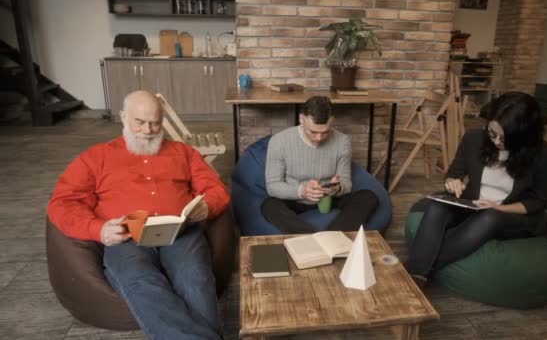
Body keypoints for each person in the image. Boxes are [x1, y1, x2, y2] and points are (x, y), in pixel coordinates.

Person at [47, 90, 230, 339]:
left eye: (155, 123)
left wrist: (207, 206)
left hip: (181, 233)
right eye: (139, 122)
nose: (147, 130)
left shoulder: (183, 152)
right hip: (126, 237)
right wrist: (97, 229)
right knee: (143, 283)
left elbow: (216, 189)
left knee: (195, 279)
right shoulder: (97, 156)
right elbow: (63, 203)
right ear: (123, 117)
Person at [406, 92, 547, 287]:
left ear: (523, 135)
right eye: (492, 133)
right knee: (437, 206)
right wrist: (453, 182)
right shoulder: (474, 139)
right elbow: (454, 172)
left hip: (508, 214)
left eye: (505, 138)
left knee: (490, 217)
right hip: (473, 204)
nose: (496, 142)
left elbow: (541, 200)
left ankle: (416, 272)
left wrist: (497, 208)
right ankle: (416, 274)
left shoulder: (545, 153)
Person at [261, 96, 379, 234]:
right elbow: (273, 185)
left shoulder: (342, 142)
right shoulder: (279, 141)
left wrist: (338, 188)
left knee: (368, 197)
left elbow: (346, 183)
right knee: (269, 205)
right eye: (313, 132)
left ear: (332, 121)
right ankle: (310, 238)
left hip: (329, 198)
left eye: (325, 132)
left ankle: (330, 238)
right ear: (301, 119)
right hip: (295, 199)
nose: (319, 138)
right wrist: (301, 191)